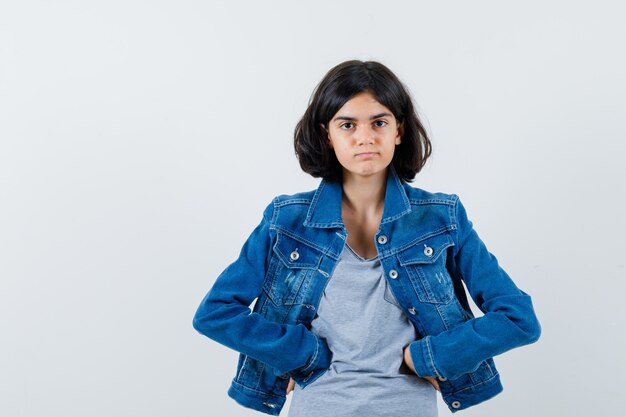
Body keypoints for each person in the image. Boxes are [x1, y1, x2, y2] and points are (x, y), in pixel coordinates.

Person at [192, 60, 541, 416]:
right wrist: (298, 353)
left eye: (379, 122)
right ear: (327, 133)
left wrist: (433, 357)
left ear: (399, 130)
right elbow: (215, 313)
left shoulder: (442, 217)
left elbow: (518, 318)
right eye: (347, 124)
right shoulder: (287, 220)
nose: (365, 137)